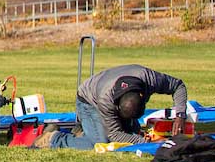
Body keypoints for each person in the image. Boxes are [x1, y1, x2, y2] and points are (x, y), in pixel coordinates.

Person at [34, 64, 188, 150]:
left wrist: (180, 116)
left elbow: (178, 86)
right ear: (117, 107)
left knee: (132, 133)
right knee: (102, 143)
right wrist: (147, 143)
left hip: (107, 93)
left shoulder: (150, 79)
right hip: (88, 101)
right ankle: (54, 138)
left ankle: (83, 132)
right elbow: (116, 135)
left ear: (142, 95)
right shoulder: (105, 99)